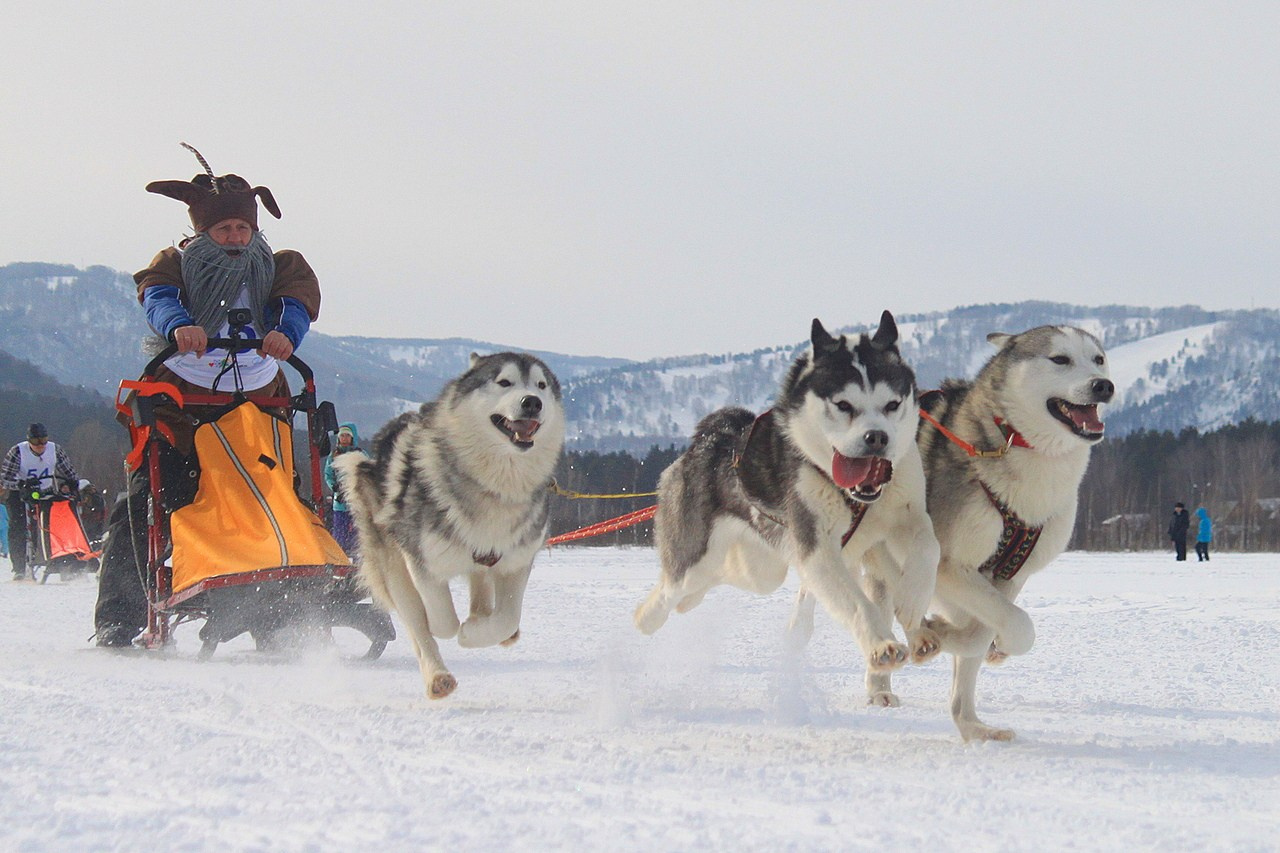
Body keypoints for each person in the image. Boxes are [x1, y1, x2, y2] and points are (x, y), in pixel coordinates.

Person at [93, 145, 322, 647]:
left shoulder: (280, 263)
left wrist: (286, 331)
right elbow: (157, 294)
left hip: (259, 402)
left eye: (243, 229)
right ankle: (119, 616)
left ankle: (278, 610)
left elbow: (297, 299)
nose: (236, 238)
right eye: (225, 231)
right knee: (147, 503)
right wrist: (180, 326)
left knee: (277, 496)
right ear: (204, 232)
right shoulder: (175, 263)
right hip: (182, 403)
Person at [1, 423, 79, 581]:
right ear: (29, 441)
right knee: (18, 524)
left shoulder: (54, 450)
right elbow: (5, 478)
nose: (40, 446)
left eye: (44, 441)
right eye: (36, 442)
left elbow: (69, 472)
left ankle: (62, 559)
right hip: (20, 492)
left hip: (46, 490)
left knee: (56, 522)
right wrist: (21, 485)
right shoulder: (18, 452)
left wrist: (68, 484)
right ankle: (19, 567)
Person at [322, 423, 367, 562]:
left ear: (352, 437)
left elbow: (367, 472)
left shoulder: (360, 454)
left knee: (357, 533)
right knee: (340, 532)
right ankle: (340, 559)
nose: (345, 438)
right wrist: (335, 487)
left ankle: (358, 560)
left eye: (347, 435)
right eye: (342, 435)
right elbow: (328, 474)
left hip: (356, 501)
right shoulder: (334, 455)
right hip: (339, 502)